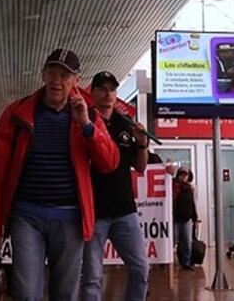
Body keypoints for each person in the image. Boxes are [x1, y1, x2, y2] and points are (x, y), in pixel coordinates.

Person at [0, 48, 119, 301]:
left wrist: (87, 126)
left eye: (65, 75)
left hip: (70, 220)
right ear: (43, 75)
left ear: (76, 80)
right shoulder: (17, 114)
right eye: (52, 73)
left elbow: (109, 162)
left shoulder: (89, 115)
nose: (57, 81)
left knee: (65, 294)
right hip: (27, 217)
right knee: (25, 293)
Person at [81, 71, 150, 301]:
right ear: (93, 92)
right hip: (94, 211)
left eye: (112, 89)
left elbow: (140, 167)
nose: (108, 93)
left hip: (124, 211)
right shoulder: (83, 121)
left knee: (141, 269)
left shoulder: (126, 124)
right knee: (92, 277)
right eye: (102, 88)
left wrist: (142, 144)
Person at [173, 168, 198, 271]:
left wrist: (195, 218)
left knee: (187, 242)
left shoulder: (189, 188)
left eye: (185, 175)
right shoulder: (174, 187)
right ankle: (168, 262)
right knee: (173, 240)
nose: (183, 177)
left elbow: (192, 204)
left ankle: (186, 263)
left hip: (187, 219)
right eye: (181, 174)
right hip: (176, 219)